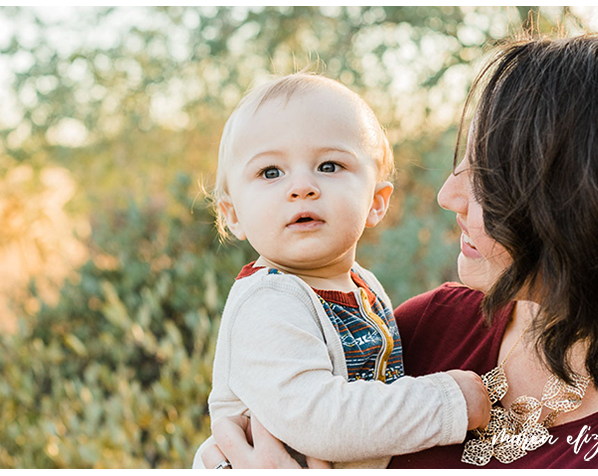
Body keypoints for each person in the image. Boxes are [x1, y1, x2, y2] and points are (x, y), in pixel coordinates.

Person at [200, 27, 598, 469]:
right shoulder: (430, 327)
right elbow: (287, 420)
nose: (447, 194)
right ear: (231, 213)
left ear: (588, 206)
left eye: (488, 177)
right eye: (270, 173)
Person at [193, 73, 491, 469]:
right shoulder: (268, 301)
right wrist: (447, 403)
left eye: (329, 165)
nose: (301, 187)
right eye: (270, 172)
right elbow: (317, 419)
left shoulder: (362, 286)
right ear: (232, 215)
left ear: (376, 202)